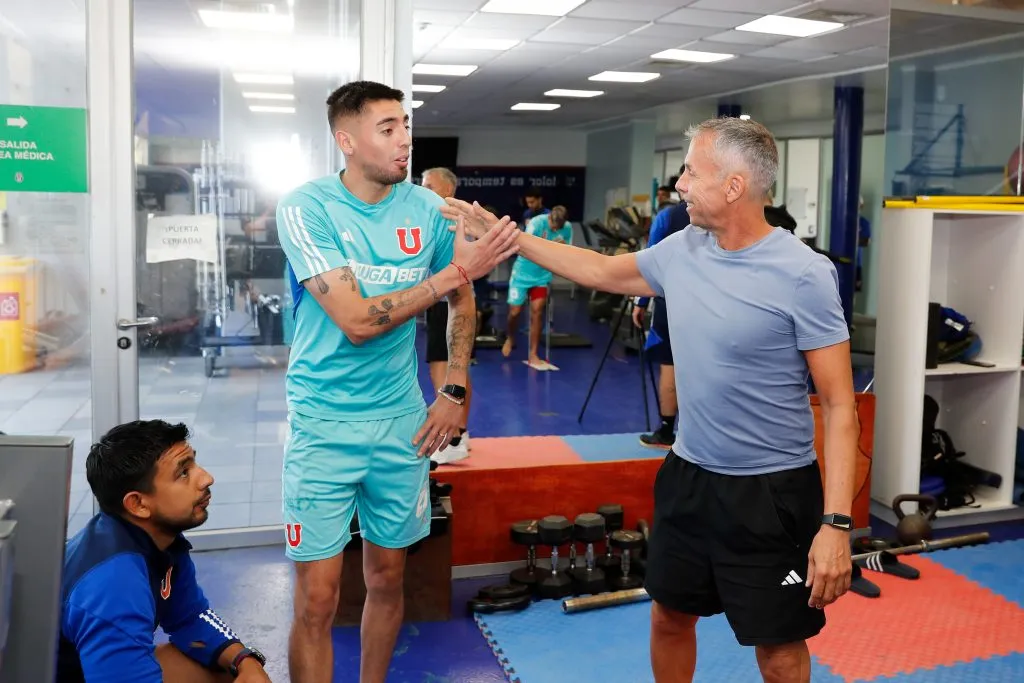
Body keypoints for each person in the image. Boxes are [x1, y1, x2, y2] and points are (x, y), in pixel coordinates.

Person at [443, 116, 857, 683]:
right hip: (689, 477)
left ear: (734, 186)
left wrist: (835, 524)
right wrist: (508, 237)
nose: (680, 182)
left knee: (779, 649)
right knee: (668, 615)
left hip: (773, 493)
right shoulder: (683, 248)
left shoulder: (804, 274)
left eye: (691, 169)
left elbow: (838, 405)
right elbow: (600, 269)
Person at [274, 80, 517, 683]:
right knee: (318, 599)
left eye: (405, 125)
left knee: (387, 579)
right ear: (346, 140)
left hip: (401, 425)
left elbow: (463, 302)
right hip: (323, 424)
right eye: (387, 128)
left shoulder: (428, 209)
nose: (404, 139)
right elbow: (357, 321)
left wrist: (455, 388)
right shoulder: (308, 208)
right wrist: (455, 272)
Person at [56, 420, 271, 683]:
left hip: (89, 669)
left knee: (230, 671)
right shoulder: (114, 586)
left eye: (193, 463)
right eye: (183, 473)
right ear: (138, 503)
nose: (206, 478)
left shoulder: (158, 538)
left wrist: (244, 661)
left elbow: (190, 616)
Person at [420, 166, 474, 464]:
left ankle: (455, 436)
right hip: (439, 296)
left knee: (447, 363)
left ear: (448, 191)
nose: (423, 189)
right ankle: (460, 434)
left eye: (430, 185)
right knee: (451, 362)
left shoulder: (451, 218)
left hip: (450, 298)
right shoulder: (432, 216)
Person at [631, 201, 689, 449]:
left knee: (670, 365)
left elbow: (650, 260)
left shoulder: (668, 217)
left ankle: (666, 431)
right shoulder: (727, 213)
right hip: (715, 300)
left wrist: (641, 301)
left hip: (673, 300)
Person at [501, 205, 572, 370]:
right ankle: (510, 337)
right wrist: (550, 247)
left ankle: (533, 353)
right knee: (515, 312)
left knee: (537, 311)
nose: (555, 229)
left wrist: (562, 249)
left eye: (558, 228)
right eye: (553, 226)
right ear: (550, 219)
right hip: (522, 274)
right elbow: (526, 247)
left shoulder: (566, 228)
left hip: (542, 276)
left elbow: (568, 250)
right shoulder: (536, 223)